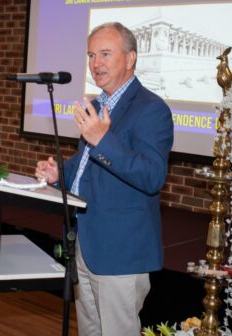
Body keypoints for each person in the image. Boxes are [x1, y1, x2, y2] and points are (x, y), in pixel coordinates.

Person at [35, 22, 174, 336]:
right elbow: (86, 168)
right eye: (91, 55)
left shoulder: (151, 109)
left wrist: (102, 139)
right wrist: (59, 174)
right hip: (87, 242)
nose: (95, 63)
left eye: (105, 54)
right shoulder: (97, 106)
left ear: (130, 58)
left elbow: (152, 176)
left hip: (121, 251)